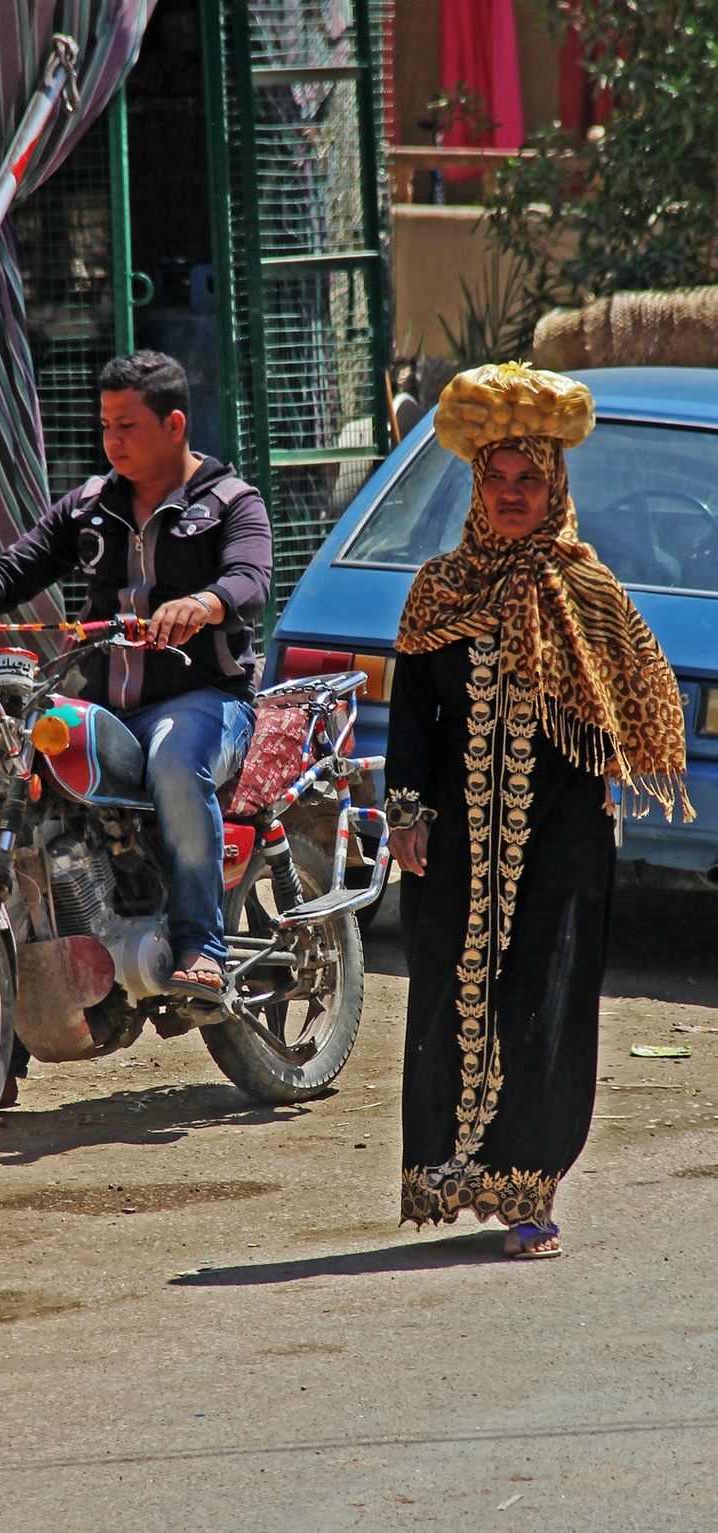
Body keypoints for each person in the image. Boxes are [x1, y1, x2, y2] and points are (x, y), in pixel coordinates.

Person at [0, 349, 272, 1101]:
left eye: (127, 425)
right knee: (20, 784)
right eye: (105, 425)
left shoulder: (232, 499)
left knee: (175, 761)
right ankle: (4, 1033)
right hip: (106, 704)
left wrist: (200, 605)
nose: (113, 441)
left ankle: (202, 945)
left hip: (204, 700)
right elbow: (14, 569)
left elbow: (251, 577)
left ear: (174, 424)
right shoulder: (91, 504)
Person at [384, 361, 691, 1259]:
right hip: (452, 841)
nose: (512, 495)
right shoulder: (439, 588)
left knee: (544, 1004)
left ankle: (529, 1193)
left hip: (559, 840)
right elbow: (413, 715)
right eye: (497, 480)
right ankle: (449, 1176)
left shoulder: (583, 590)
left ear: (553, 487)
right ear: (476, 487)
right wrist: (407, 810)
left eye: (529, 481)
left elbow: (639, 695)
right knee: (448, 999)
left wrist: (607, 758)